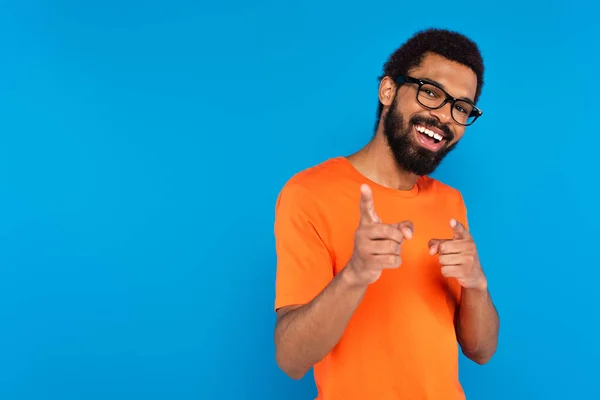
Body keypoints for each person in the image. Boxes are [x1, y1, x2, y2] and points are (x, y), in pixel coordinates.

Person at [273, 28, 500, 400]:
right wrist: (355, 276)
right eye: (431, 92)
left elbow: (481, 350)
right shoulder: (308, 194)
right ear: (388, 91)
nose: (444, 116)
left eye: (460, 107)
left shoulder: (450, 202)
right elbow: (290, 359)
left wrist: (477, 285)